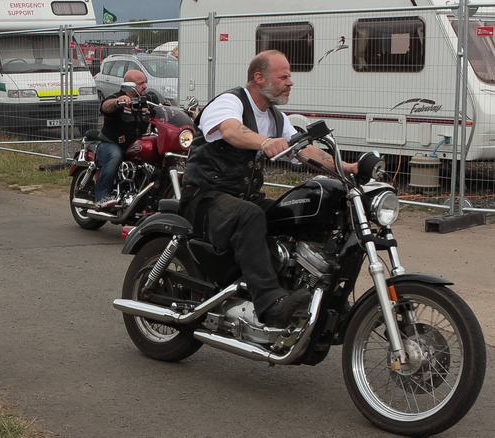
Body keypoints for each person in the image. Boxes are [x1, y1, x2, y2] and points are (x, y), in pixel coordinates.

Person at [180, 50, 358, 328]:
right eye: (283, 76)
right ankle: (270, 303)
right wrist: (264, 143)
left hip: (244, 198)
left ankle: (312, 294)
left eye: (290, 76)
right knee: (250, 214)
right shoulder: (230, 101)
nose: (290, 82)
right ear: (259, 78)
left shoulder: (276, 117)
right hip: (204, 195)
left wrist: (349, 168)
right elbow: (230, 130)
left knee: (296, 215)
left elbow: (305, 151)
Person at [93, 69, 150, 210]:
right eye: (141, 83)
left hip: (134, 146)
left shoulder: (146, 101)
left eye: (145, 82)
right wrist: (117, 102)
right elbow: (105, 106)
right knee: (115, 155)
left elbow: (162, 110)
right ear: (130, 86)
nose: (145, 86)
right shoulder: (117, 98)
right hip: (110, 144)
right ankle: (101, 196)